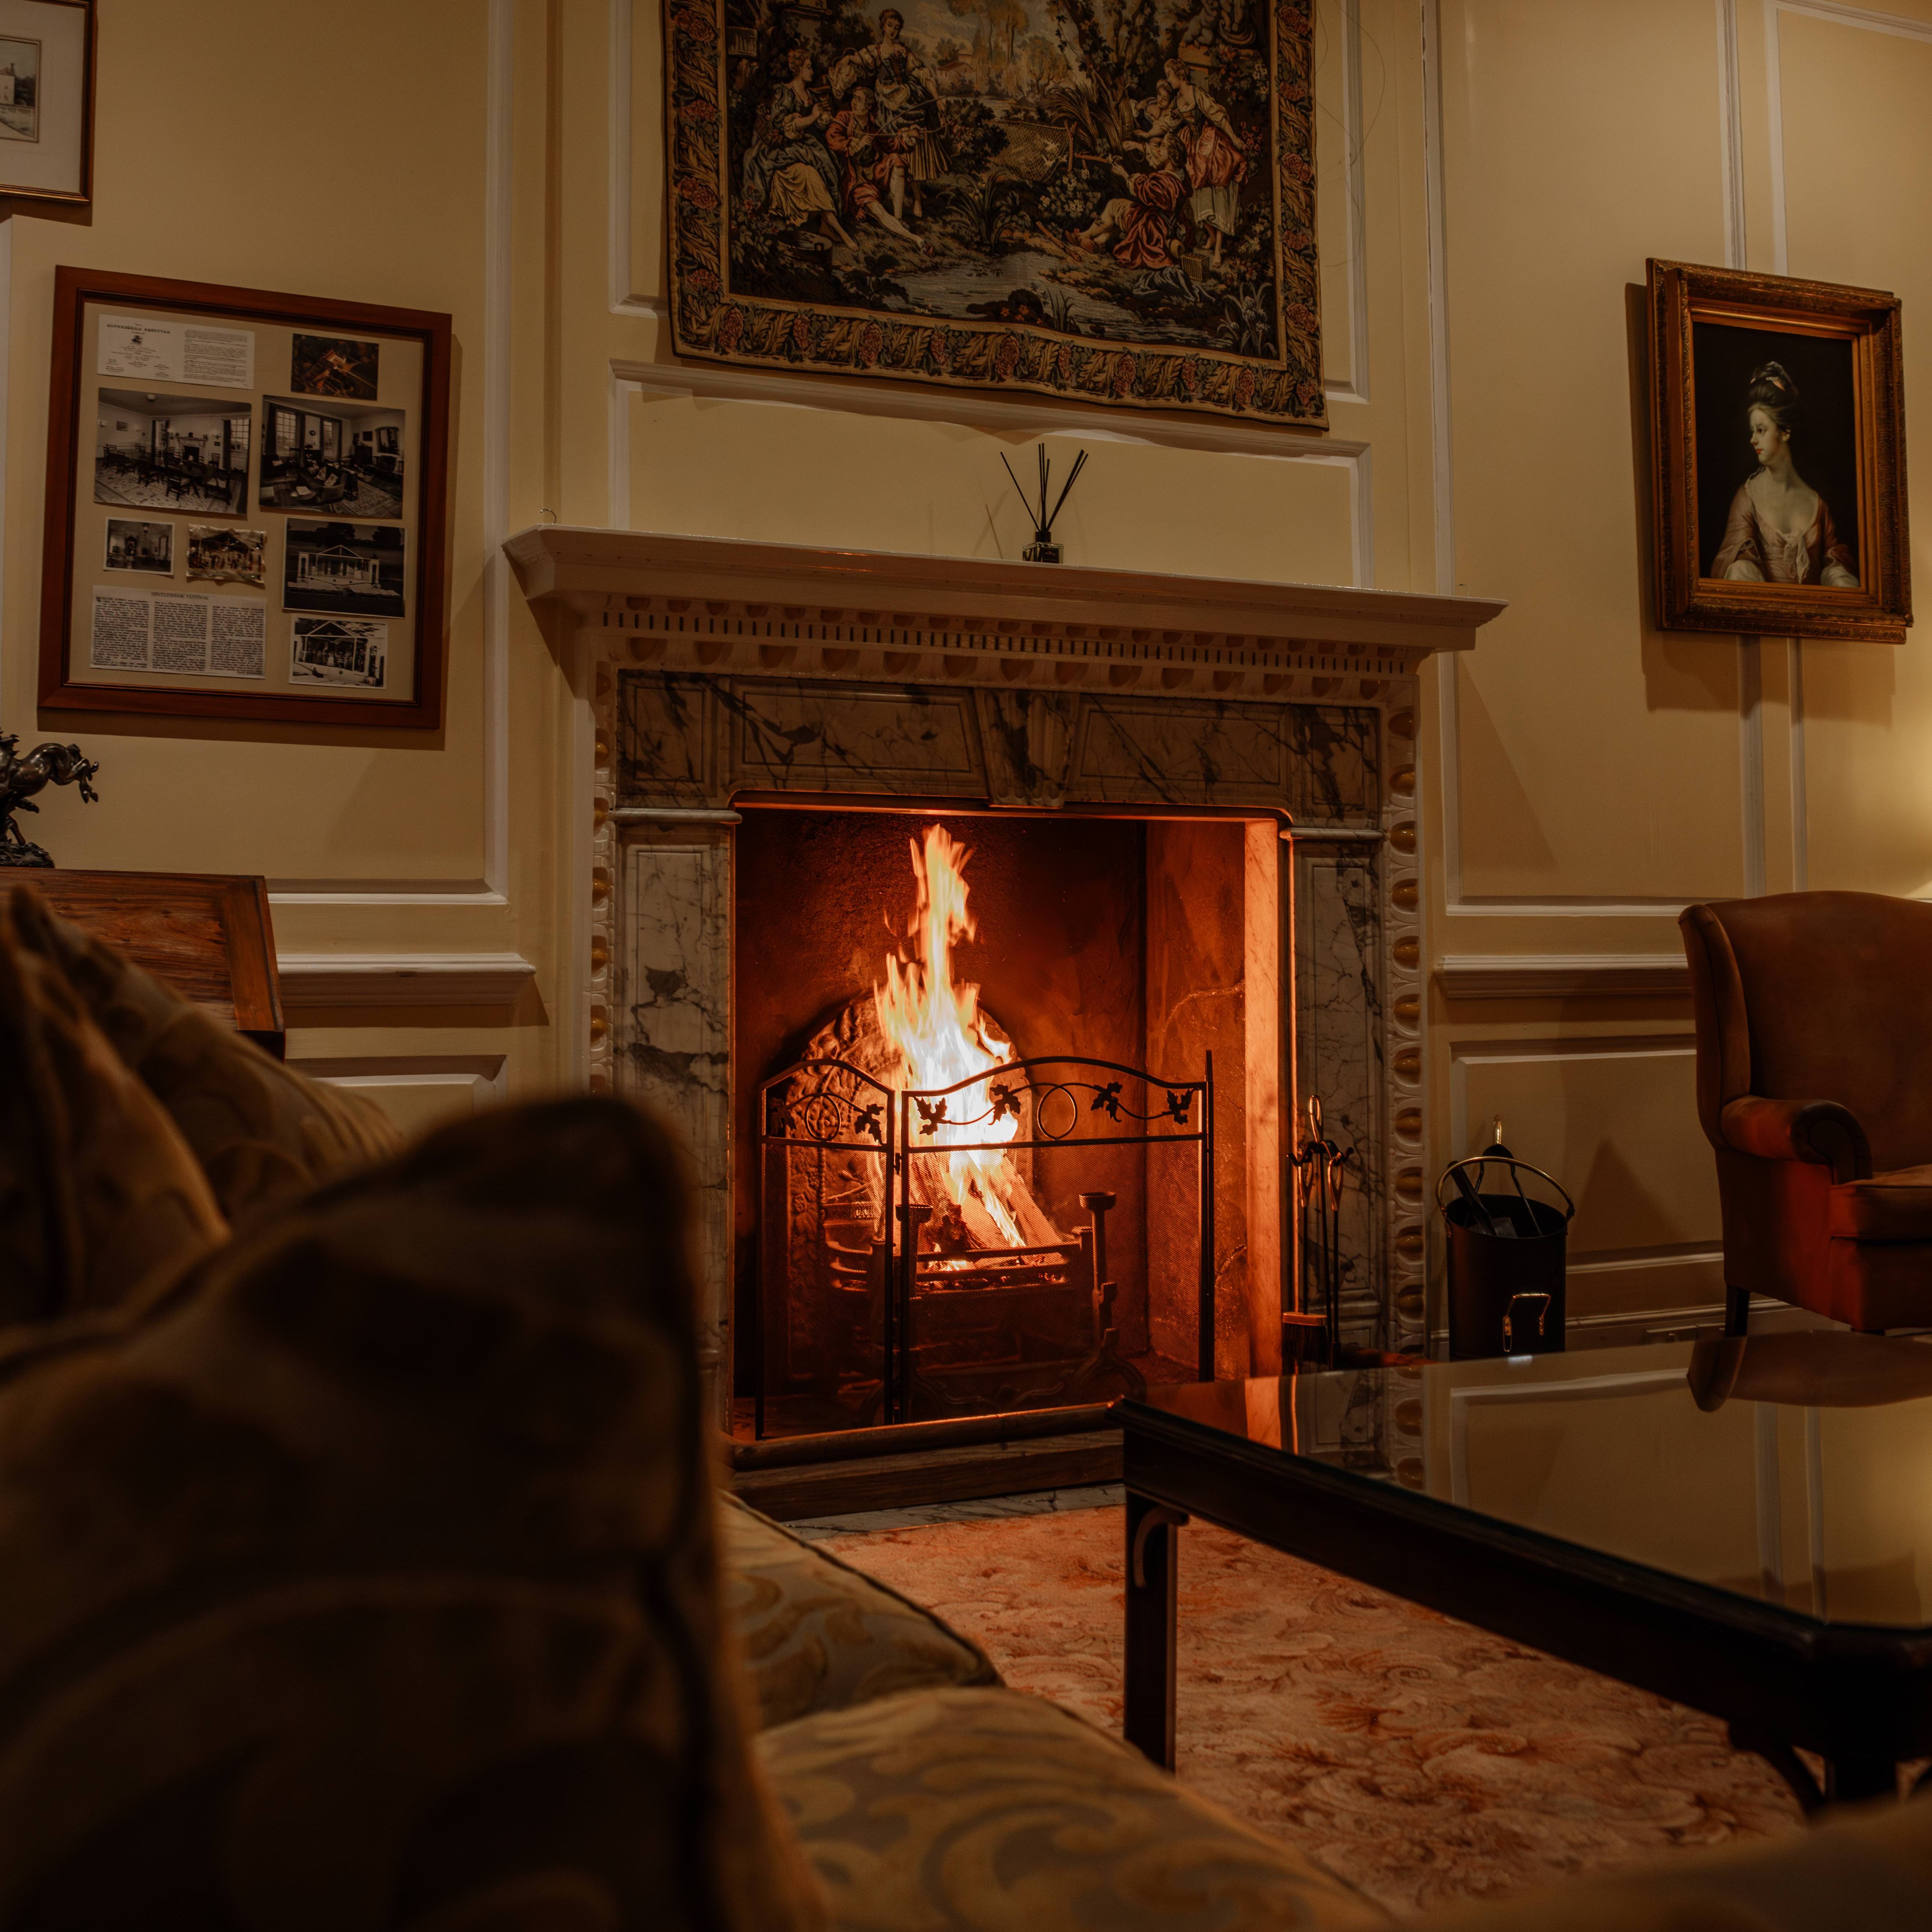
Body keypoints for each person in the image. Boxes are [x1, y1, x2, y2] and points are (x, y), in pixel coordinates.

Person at [1711, 361, 1859, 587]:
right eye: (1753, 432)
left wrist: (1838, 578)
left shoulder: (1817, 503)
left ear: (1785, 432)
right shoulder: (1747, 497)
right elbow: (1736, 565)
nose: (1753, 440)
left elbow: (1834, 563)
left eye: (1761, 430)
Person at [833, 9, 947, 222]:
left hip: (906, 102)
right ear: (883, 27)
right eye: (890, 26)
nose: (893, 31)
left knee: (913, 145)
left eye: (897, 28)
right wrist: (846, 60)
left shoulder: (904, 51)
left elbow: (923, 74)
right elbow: (859, 59)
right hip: (886, 107)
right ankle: (894, 193)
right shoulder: (876, 51)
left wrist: (938, 98)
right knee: (892, 147)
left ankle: (916, 198)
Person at [741, 48, 858, 250]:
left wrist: (822, 119)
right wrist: (812, 117)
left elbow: (818, 126)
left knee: (831, 163)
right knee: (812, 171)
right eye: (808, 67)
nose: (812, 72)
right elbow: (782, 126)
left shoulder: (811, 94)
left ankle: (826, 225)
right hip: (784, 147)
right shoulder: (784, 92)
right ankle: (837, 229)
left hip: (805, 144)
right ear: (798, 70)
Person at [1163, 57, 1247, 267]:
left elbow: (1218, 117)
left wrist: (1235, 138)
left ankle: (1218, 250)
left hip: (1209, 148)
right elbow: (1168, 123)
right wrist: (1147, 135)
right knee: (1196, 198)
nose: (1168, 81)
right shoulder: (1177, 101)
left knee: (1216, 199)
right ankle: (1211, 236)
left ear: (1180, 75)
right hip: (1192, 148)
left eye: (1170, 76)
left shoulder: (1196, 94)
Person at [1066, 130, 1187, 269]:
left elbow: (1146, 190)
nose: (1159, 150)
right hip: (1159, 221)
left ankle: (1083, 236)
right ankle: (1100, 242)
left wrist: (1124, 174)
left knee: (1113, 206)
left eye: (1163, 147)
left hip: (1153, 226)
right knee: (1121, 212)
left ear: (1172, 155)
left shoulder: (1168, 182)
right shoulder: (1176, 178)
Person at [826, 85, 928, 246]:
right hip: (857, 180)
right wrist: (855, 144)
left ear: (868, 106)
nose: (853, 103)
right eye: (854, 98)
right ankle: (915, 240)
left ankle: (899, 218)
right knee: (878, 212)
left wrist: (909, 135)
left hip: (875, 173)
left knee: (897, 160)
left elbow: (892, 144)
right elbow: (832, 138)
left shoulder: (873, 126)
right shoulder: (844, 118)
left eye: (859, 100)